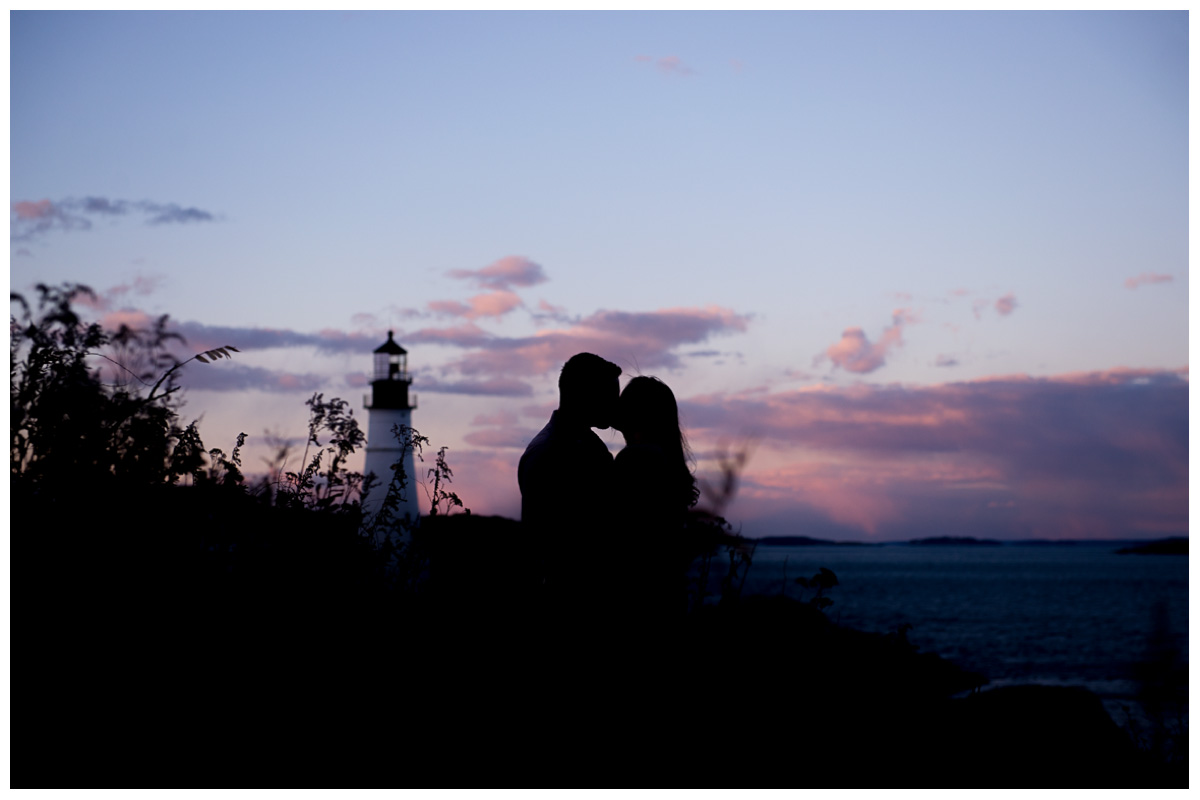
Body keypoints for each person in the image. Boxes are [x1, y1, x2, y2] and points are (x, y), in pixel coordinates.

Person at [518, 352, 623, 617]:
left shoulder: (582, 443)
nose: (616, 405)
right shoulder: (550, 452)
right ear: (585, 395)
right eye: (610, 396)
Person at [611, 375, 700, 624]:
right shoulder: (662, 458)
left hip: (638, 598)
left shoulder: (636, 459)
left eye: (623, 401)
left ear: (638, 412)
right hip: (664, 594)